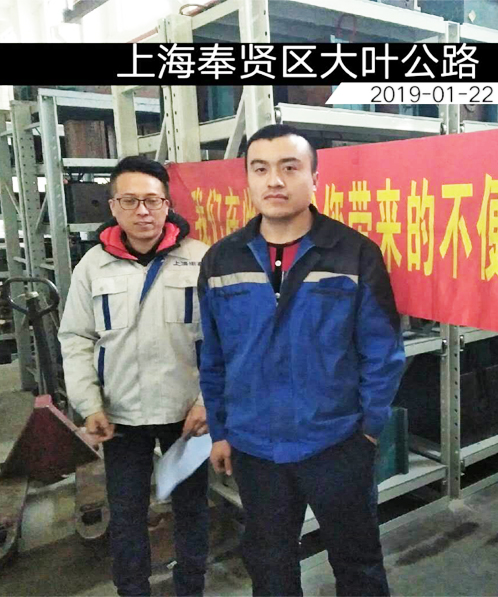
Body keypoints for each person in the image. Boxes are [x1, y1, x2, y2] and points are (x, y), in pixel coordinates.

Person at [197, 124, 405, 596]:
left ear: (314, 178)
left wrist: (368, 430)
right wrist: (221, 430)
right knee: (270, 569)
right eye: (260, 169)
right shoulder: (221, 261)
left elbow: (382, 349)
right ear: (248, 180)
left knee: (358, 565)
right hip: (254, 448)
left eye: (289, 168)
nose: (275, 180)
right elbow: (213, 355)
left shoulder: (354, 253)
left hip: (336, 442)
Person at [58, 156, 209, 597]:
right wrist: (89, 404)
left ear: (167, 205)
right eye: (130, 201)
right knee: (125, 513)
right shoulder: (93, 266)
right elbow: (76, 338)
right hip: (121, 414)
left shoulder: (200, 259)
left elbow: (224, 339)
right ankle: (132, 589)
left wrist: (208, 402)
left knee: (192, 508)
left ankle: (191, 588)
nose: (143, 211)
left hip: (187, 414)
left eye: (152, 200)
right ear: (113, 206)